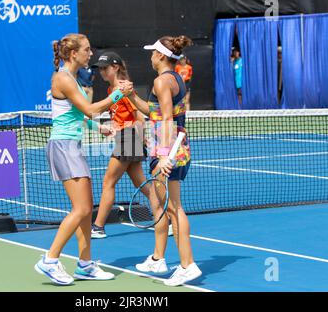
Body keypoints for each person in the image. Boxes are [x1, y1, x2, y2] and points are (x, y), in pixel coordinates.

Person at [34, 33, 132, 286]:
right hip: (64, 147)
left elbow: (78, 115)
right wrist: (118, 95)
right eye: (87, 50)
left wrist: (97, 128)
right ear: (73, 53)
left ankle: (85, 264)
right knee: (82, 209)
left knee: (86, 211)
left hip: (72, 145)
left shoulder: (73, 79)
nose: (91, 54)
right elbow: (88, 109)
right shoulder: (63, 78)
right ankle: (50, 260)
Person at [126, 36, 202, 286]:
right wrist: (131, 96)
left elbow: (167, 119)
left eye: (152, 53)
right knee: (166, 206)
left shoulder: (161, 81)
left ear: (160, 55)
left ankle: (187, 265)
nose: (150, 57)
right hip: (179, 149)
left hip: (168, 152)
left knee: (173, 208)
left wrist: (162, 158)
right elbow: (154, 112)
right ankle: (159, 259)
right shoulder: (175, 78)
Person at [89, 51, 150, 239]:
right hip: (125, 138)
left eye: (105, 68)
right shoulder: (112, 91)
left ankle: (98, 227)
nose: (102, 72)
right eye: (100, 69)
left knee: (108, 181)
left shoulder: (124, 89)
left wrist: (139, 138)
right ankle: (168, 217)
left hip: (130, 138)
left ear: (115, 67)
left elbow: (140, 116)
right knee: (140, 182)